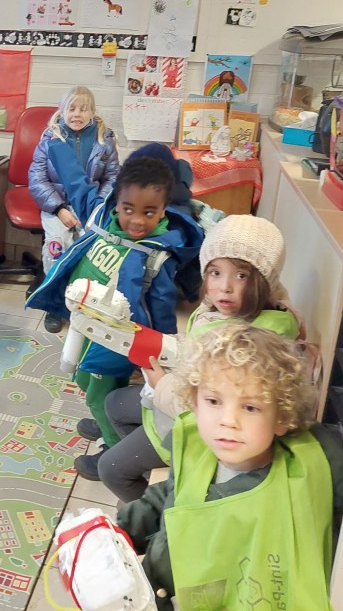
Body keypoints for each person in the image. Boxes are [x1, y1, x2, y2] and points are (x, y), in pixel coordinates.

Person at [116, 324, 343, 610]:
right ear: (195, 404)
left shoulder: (292, 491)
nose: (228, 420)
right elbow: (173, 493)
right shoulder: (200, 451)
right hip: (157, 589)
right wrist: (122, 531)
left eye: (250, 407)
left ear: (281, 418)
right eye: (214, 401)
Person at [97, 214, 301, 501]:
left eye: (241, 276)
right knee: (114, 403)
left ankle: (156, 512)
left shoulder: (248, 342)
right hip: (177, 396)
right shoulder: (225, 308)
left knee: (111, 469)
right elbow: (199, 339)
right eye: (215, 272)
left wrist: (161, 385)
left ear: (263, 281)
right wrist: (171, 346)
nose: (224, 287)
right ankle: (147, 467)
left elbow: (202, 405)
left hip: (197, 429)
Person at [26, 154, 203, 477]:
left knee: (97, 392)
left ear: (163, 210)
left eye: (149, 212)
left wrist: (159, 355)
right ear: (116, 203)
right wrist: (57, 148)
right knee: (85, 380)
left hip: (117, 340)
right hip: (87, 327)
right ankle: (108, 417)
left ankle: (113, 447)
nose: (136, 220)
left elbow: (162, 309)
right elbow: (78, 185)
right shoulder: (103, 220)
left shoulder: (156, 257)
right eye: (128, 209)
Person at [28, 86, 119, 333]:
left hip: (91, 206)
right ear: (62, 110)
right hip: (57, 206)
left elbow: (112, 177)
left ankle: (81, 302)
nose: (77, 114)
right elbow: (37, 178)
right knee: (57, 250)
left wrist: (96, 205)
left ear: (93, 112)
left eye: (84, 109)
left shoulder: (104, 140)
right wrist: (59, 209)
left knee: (90, 253)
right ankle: (55, 305)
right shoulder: (50, 139)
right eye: (72, 108)